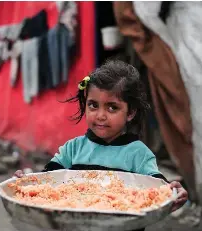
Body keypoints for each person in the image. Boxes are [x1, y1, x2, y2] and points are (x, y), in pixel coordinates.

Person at [14, 60, 188, 230]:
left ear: (130, 112)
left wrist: (172, 192)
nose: (100, 115)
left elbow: (156, 189)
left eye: (112, 107)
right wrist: (27, 183)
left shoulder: (138, 154)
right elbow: (47, 181)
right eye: (93, 105)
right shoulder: (72, 149)